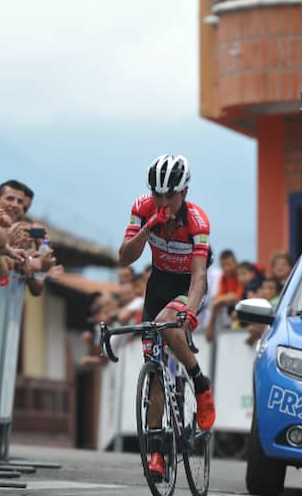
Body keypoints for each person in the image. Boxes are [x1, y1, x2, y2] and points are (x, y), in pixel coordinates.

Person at [119, 154, 215, 478]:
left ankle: (200, 384)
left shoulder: (198, 222)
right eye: (157, 194)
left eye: (169, 195)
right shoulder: (143, 208)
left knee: (166, 324)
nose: (163, 201)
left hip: (189, 285)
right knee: (156, 375)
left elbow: (200, 275)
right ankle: (157, 452)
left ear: (184, 192)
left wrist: (190, 310)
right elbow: (124, 258)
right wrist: (149, 227)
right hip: (158, 285)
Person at [204, 249, 243, 342]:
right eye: (223, 266)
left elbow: (237, 296)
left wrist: (222, 299)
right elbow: (218, 300)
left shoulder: (241, 273)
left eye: (229, 264)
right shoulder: (224, 278)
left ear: (236, 262)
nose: (226, 268)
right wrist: (210, 327)